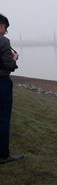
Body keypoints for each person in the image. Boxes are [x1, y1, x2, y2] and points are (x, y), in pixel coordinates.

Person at [0, 14, 23, 164]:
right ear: (2, 26)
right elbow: (8, 65)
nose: (5, 31)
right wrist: (14, 59)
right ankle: (3, 155)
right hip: (2, 84)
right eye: (5, 29)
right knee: (3, 119)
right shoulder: (3, 41)